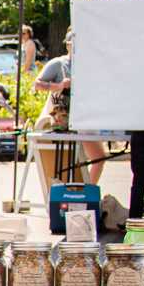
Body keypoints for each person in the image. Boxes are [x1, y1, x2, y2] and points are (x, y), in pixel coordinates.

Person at [35, 31, 104, 186]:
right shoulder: (58, 63)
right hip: (62, 119)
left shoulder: (89, 65)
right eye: (72, 44)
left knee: (99, 157)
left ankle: (87, 191)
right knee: (65, 160)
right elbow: (37, 84)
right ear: (67, 44)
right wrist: (60, 85)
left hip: (84, 118)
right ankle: (70, 193)